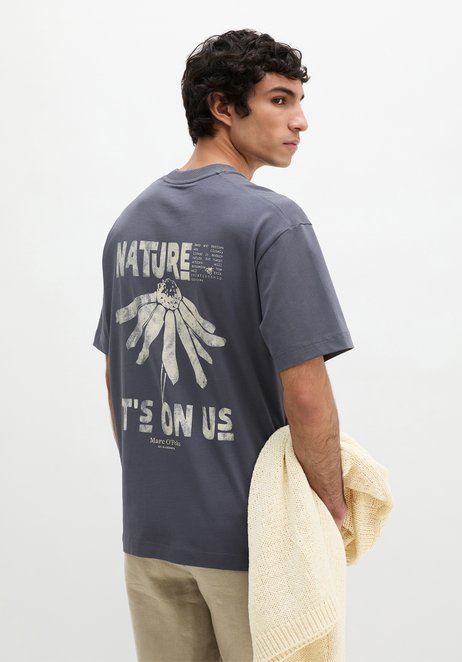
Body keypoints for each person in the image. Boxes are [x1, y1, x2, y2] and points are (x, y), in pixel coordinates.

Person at [93, 28, 354, 662]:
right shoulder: (272, 223)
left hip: (151, 535)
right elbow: (306, 396)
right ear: (222, 107)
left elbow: (116, 377)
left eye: (299, 102)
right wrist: (330, 514)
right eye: (279, 100)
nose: (300, 121)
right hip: (252, 542)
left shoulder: (129, 223)